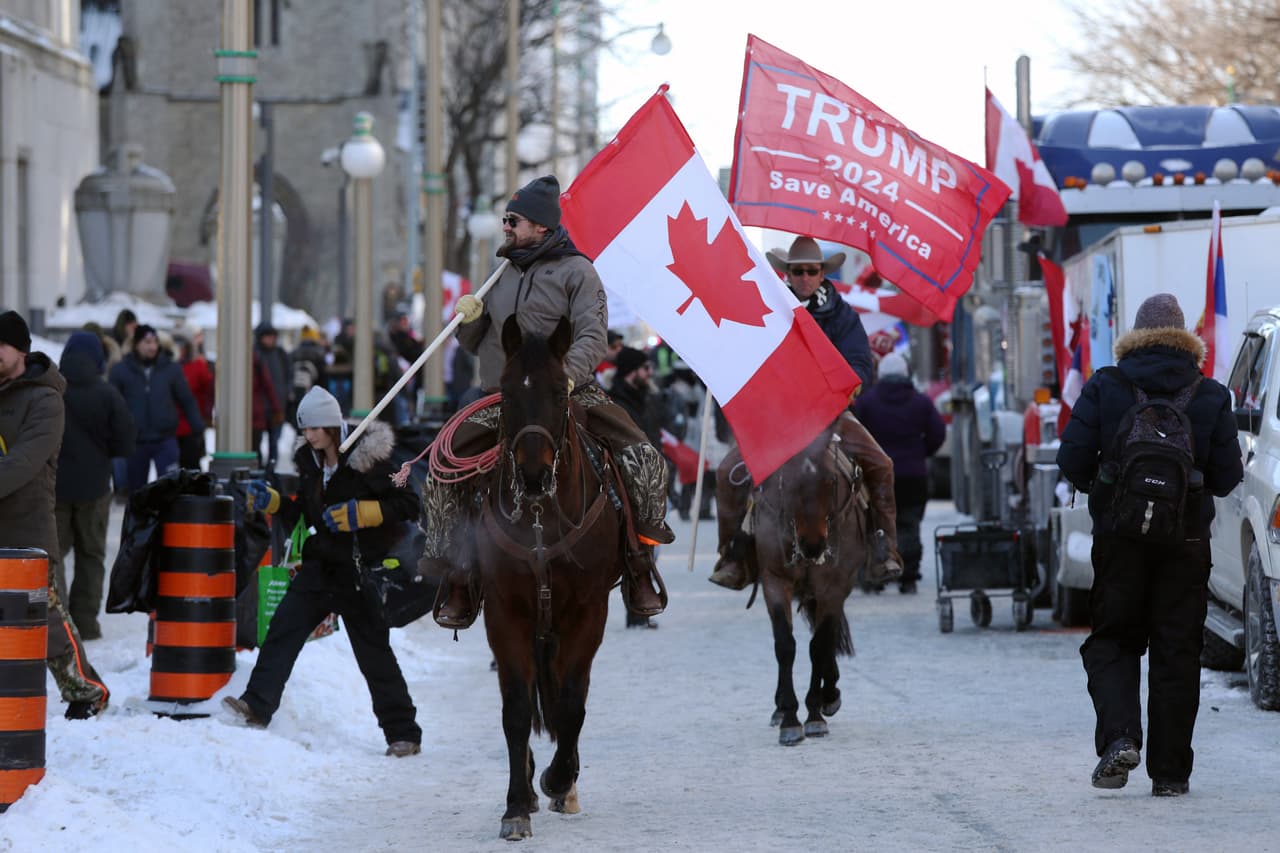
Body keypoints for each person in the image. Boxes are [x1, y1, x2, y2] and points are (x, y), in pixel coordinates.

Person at [420, 174, 671, 628]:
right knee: (444, 467)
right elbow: (478, 344)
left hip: (569, 391)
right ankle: (456, 573)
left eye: (512, 220)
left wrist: (564, 379)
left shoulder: (579, 272)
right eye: (505, 220)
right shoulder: (498, 273)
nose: (506, 228)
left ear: (540, 226)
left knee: (642, 456)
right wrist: (468, 321)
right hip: (500, 395)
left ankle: (638, 563)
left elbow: (593, 335)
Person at [1056, 293, 1242, 797]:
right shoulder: (1209, 394)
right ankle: (1171, 774)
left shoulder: (1107, 385)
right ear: (1185, 338)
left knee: (1113, 641)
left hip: (1120, 541)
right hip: (1185, 542)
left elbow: (1071, 460)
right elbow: (1228, 477)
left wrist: (1108, 487)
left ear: (1135, 334)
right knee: (1177, 651)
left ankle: (1119, 738)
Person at [223, 386, 423, 756]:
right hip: (321, 565)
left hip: (360, 572)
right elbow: (310, 517)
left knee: (373, 653)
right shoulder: (310, 462)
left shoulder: (372, 460)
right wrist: (278, 502)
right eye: (305, 429)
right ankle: (257, 705)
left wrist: (364, 514)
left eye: (314, 428)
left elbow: (409, 503)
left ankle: (403, 732)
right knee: (283, 629)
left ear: (331, 426)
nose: (309, 435)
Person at [708, 235, 901, 591]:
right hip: (778, 420)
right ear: (787, 274)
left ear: (822, 274)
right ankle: (733, 553)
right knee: (726, 473)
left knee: (882, 464)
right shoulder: (768, 308)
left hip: (830, 414)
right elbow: (747, 357)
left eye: (812, 271)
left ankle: (883, 546)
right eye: (797, 272)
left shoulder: (842, 315)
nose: (804, 278)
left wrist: (836, 390)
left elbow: (859, 363)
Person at [0, 311, 111, 718]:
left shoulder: (45, 399)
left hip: (26, 529)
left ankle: (86, 691)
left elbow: (24, 462)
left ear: (22, 350)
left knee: (45, 618)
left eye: (2, 345)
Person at [55, 331, 136, 638]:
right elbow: (126, 442)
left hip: (55, 488)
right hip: (95, 487)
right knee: (91, 555)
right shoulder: (107, 394)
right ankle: (86, 623)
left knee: (53, 555)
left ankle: (59, 623)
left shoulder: (52, 391)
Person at [853, 352, 946, 594]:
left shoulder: (867, 402)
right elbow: (938, 434)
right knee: (909, 525)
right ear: (906, 374)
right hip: (913, 476)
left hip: (876, 476)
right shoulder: (921, 402)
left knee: (874, 524)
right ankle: (908, 577)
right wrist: (920, 453)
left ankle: (875, 576)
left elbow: (853, 435)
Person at [607, 347, 666, 630]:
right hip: (623, 482)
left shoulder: (648, 399)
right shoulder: (614, 403)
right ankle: (635, 605)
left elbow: (655, 438)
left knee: (651, 546)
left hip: (649, 482)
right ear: (632, 371)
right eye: (645, 368)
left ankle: (639, 604)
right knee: (633, 543)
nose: (650, 373)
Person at [109, 325, 205, 492]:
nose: (152, 346)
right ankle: (139, 519)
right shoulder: (121, 370)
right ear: (136, 344)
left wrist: (197, 427)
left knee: (170, 489)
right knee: (136, 492)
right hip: (136, 441)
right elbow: (112, 404)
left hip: (165, 439)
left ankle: (167, 519)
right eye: (147, 342)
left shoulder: (170, 369)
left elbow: (186, 400)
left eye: (154, 342)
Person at [174, 329, 214, 471]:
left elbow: (209, 391)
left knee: (192, 465)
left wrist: (206, 415)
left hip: (191, 426)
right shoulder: (166, 368)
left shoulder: (198, 366)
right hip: (170, 427)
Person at [254, 323, 291, 471]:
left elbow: (289, 374)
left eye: (272, 336)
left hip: (278, 405)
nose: (270, 340)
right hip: (260, 408)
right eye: (267, 336)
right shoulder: (255, 354)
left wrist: (286, 392)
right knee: (256, 441)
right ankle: (261, 467)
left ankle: (271, 467)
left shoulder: (280, 354)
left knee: (274, 440)